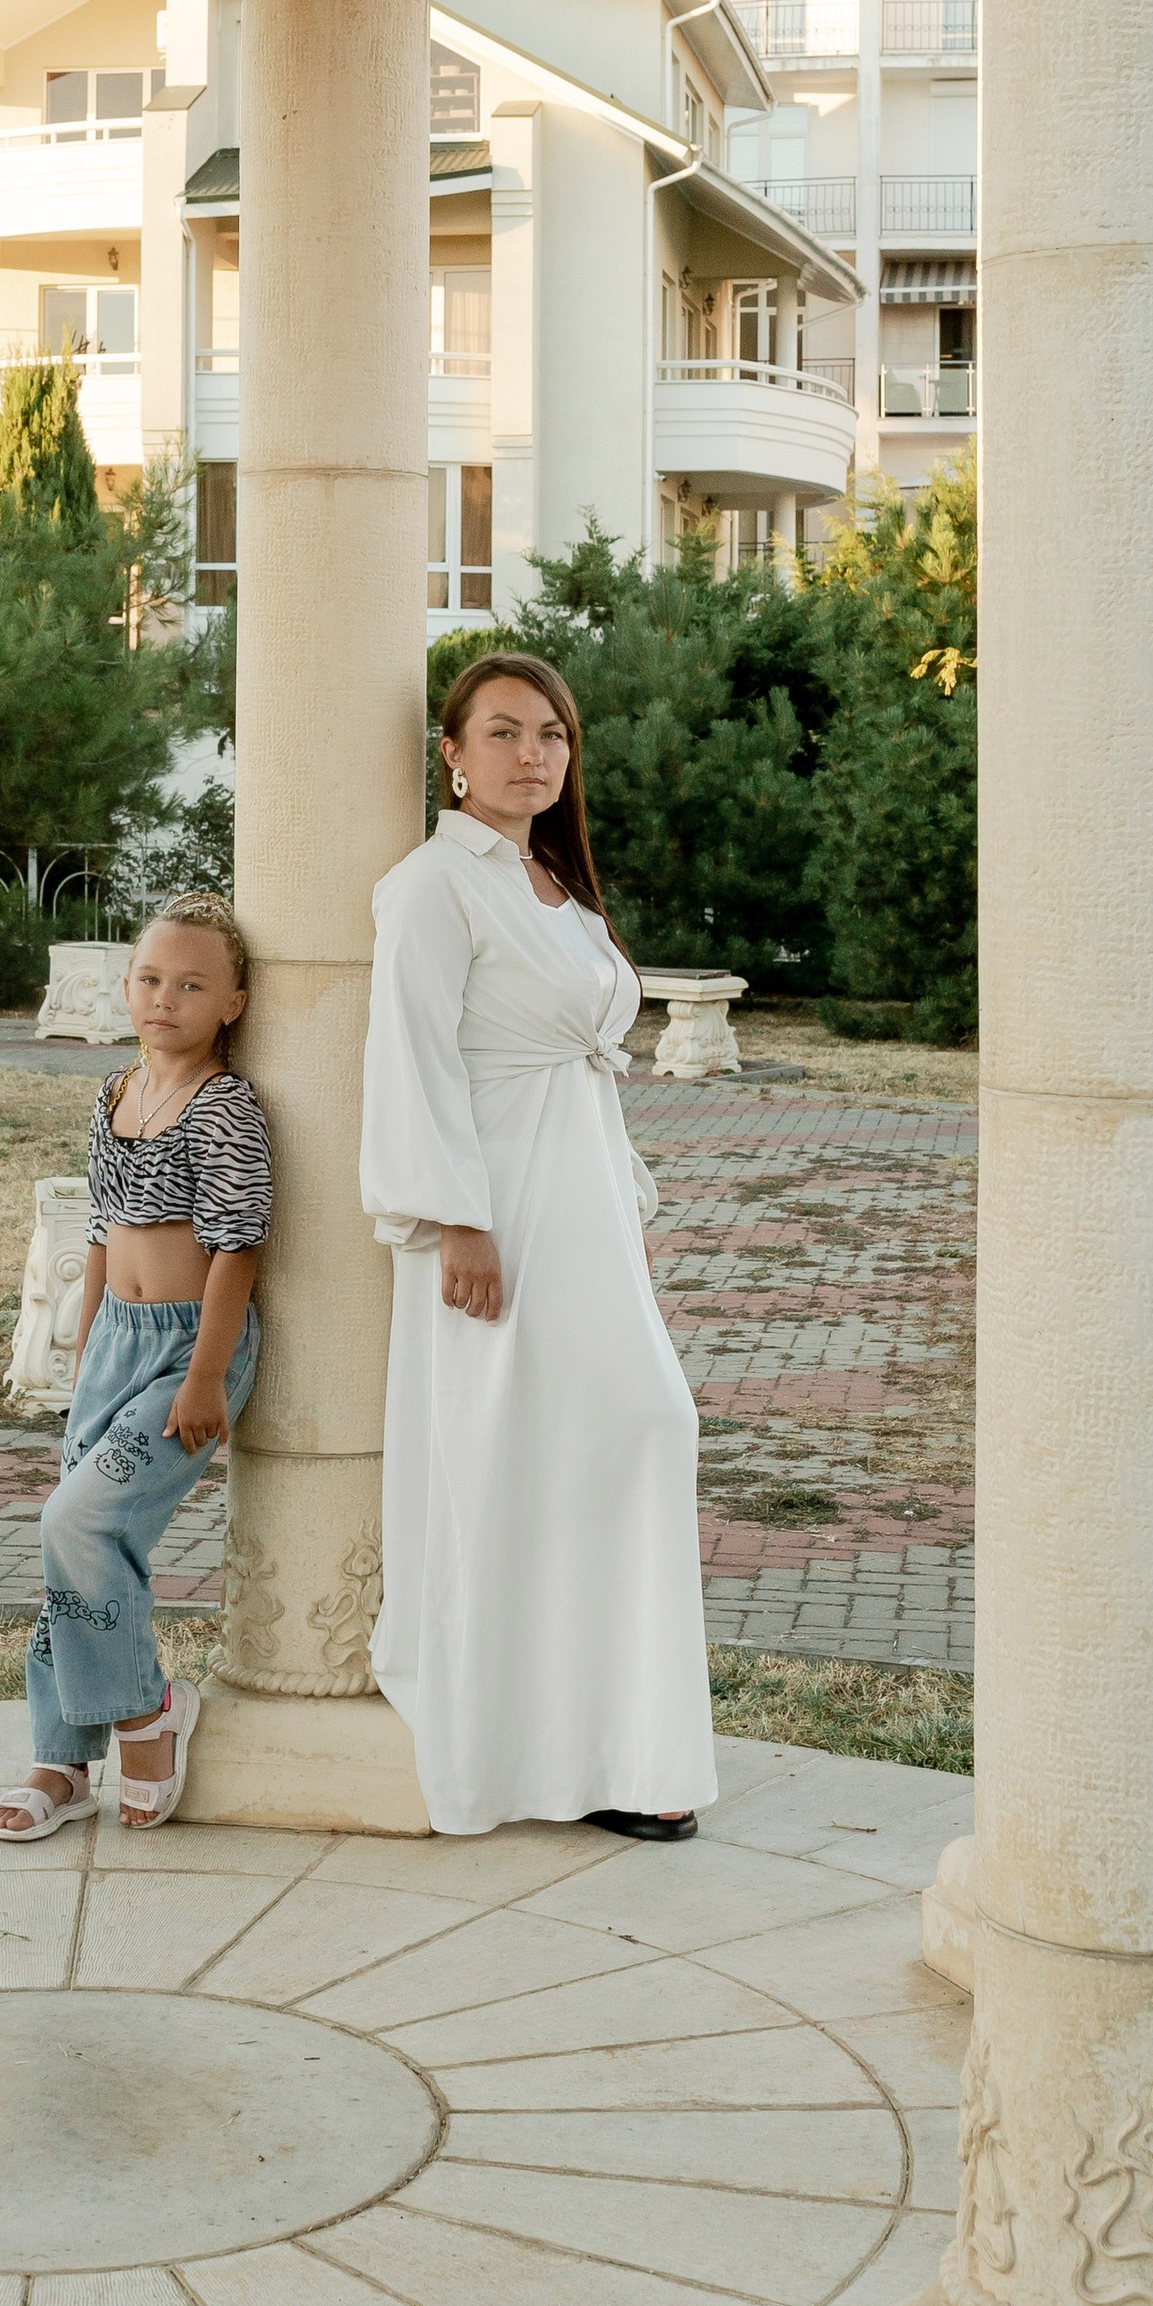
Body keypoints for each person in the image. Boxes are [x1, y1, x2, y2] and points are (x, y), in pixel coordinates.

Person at [361, 652, 717, 1840]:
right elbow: (412, 1058)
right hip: (492, 1213)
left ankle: (621, 1754)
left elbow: (582, 1074)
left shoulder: (549, 880)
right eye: (504, 733)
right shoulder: (431, 886)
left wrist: (619, 1209)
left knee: (620, 1443)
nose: (534, 755)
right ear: (451, 754)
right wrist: (457, 1218)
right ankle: (542, 1753)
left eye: (552, 733)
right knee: (530, 1461)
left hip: (579, 1208)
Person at [0, 895, 269, 1837]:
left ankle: (148, 1711)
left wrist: (202, 1378)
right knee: (71, 1549)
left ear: (231, 1002)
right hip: (116, 1346)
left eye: (192, 985)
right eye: (151, 980)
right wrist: (90, 1336)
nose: (165, 999)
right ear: (126, 987)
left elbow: (238, 1248)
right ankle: (60, 1763)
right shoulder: (113, 1092)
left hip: (190, 1352)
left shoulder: (225, 1105)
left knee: (74, 1521)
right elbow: (103, 1225)